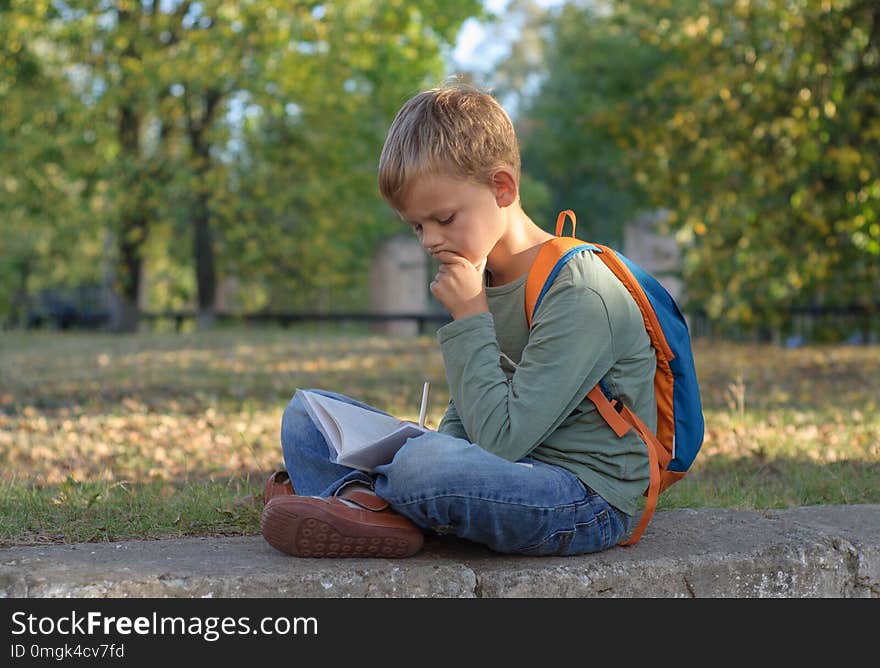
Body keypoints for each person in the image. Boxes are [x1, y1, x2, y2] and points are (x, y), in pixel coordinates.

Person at [260, 81, 654, 559]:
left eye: (444, 218)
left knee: (420, 467)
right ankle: (373, 506)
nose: (429, 241)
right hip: (503, 466)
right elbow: (468, 412)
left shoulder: (580, 290)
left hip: (583, 496)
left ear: (502, 187)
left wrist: (469, 316)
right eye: (417, 225)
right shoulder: (482, 269)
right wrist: (437, 444)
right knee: (306, 415)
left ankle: (360, 498)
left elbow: (503, 441)